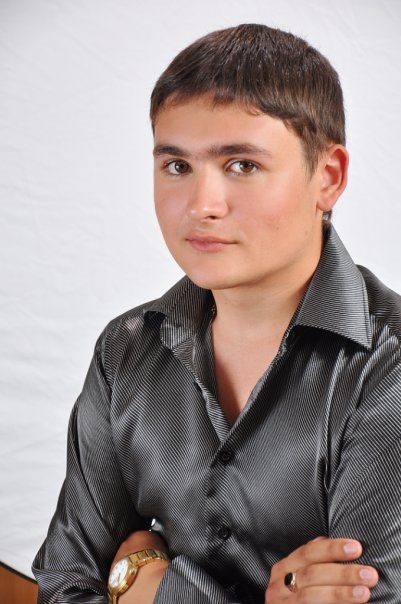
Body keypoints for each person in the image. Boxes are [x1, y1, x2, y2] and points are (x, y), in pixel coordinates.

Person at [32, 24, 401, 603]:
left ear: (327, 178)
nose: (202, 205)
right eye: (177, 166)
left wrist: (148, 582)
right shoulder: (125, 350)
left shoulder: (388, 368)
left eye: (242, 165)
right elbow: (63, 586)